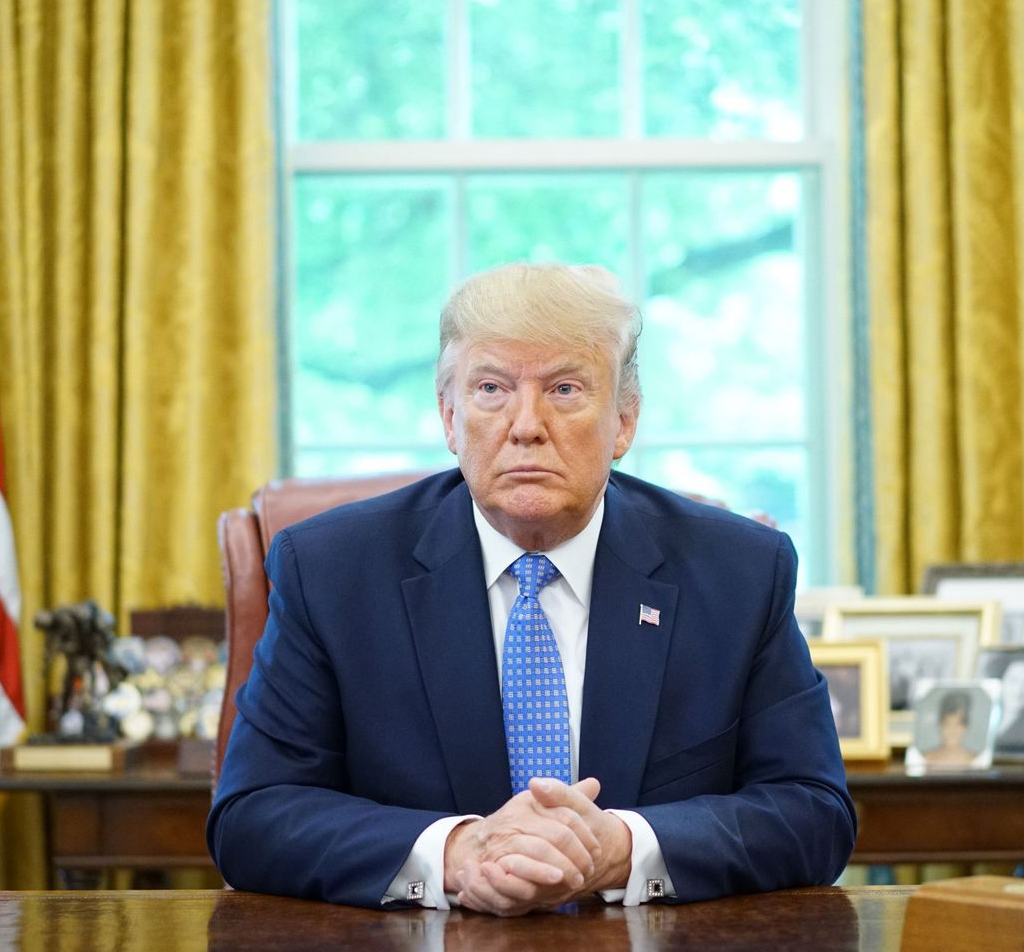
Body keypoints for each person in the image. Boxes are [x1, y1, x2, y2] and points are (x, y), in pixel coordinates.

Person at [207, 263, 857, 915]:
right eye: (491, 388)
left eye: (565, 389)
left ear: (624, 423)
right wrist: (457, 854)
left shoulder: (738, 571)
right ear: (449, 417)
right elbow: (253, 815)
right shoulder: (332, 571)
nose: (526, 425)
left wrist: (625, 848)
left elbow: (814, 811)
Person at [918, 689, 979, 768]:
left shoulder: (976, 761)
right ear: (940, 724)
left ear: (965, 727)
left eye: (958, 724)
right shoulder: (924, 759)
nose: (952, 731)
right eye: (947, 724)